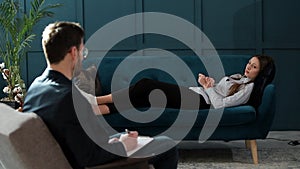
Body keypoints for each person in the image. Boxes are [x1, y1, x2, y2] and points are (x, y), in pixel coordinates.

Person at [23, 21, 178, 169]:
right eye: (83, 51)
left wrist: (117, 141)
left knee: (133, 138)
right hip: (96, 163)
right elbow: (89, 157)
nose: (83, 57)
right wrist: (123, 145)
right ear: (73, 52)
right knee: (167, 145)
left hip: (83, 150)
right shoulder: (68, 97)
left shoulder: (37, 87)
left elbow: (79, 140)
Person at [97, 55, 275, 114]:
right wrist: (209, 83)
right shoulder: (239, 78)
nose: (248, 67)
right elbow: (220, 93)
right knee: (143, 97)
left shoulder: (248, 88)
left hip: (200, 102)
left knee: (146, 85)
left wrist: (207, 88)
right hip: (197, 94)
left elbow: (219, 105)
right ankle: (98, 110)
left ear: (261, 72)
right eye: (249, 63)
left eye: (254, 67)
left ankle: (96, 100)